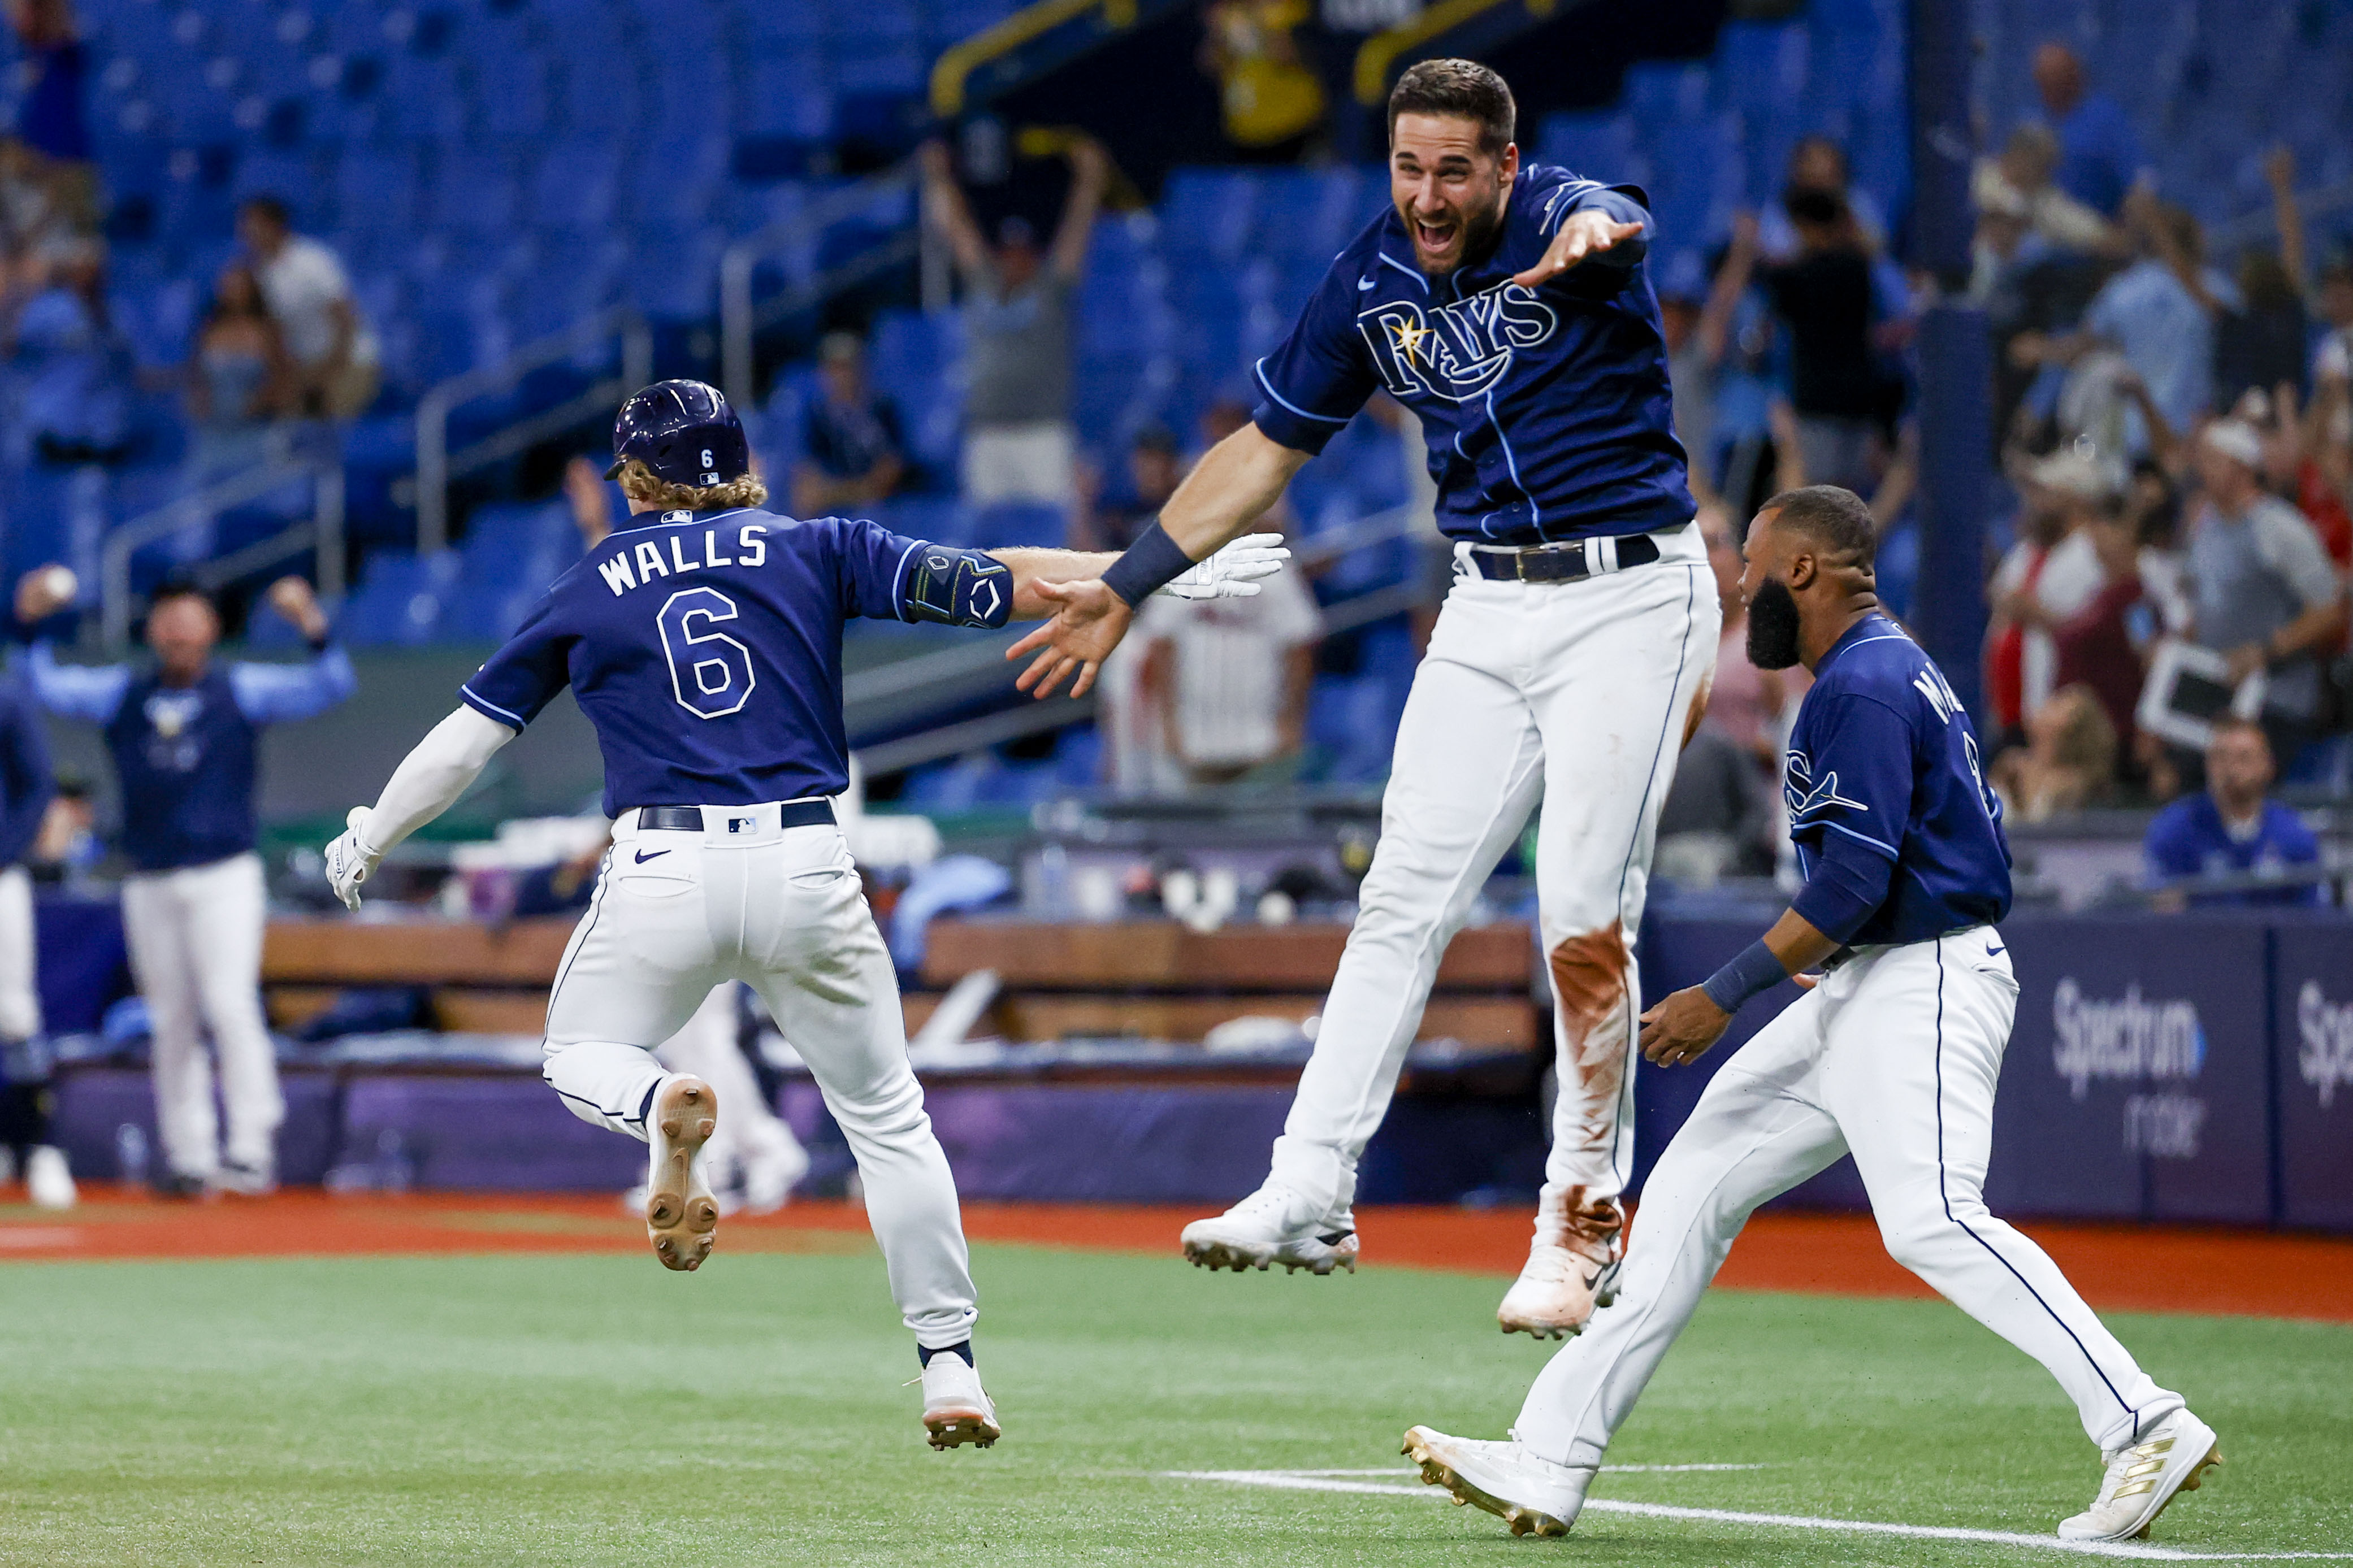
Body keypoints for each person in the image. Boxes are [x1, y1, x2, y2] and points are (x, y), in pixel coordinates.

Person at [319, 379, 1286, 1445]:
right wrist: (1145, 571)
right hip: (806, 862)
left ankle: (653, 1107)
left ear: (638, 478)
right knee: (886, 1121)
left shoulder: (591, 582)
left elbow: (467, 742)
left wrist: (370, 838)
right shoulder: (813, 544)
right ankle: (949, 1368)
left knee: (576, 1047)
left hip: (664, 866)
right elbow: (993, 579)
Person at [1011, 59, 1713, 1339]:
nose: (1427, 194)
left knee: (1576, 908)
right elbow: (1258, 456)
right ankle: (1310, 1185)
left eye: (1453, 168)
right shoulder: (1371, 280)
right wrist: (1126, 583)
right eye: (1407, 166)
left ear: (1502, 166)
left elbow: (1614, 219)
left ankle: (1581, 1214)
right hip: (1489, 599)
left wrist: (1598, 232)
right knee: (1398, 896)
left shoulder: (1561, 214)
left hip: (1629, 596)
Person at [1399, 485, 2220, 1548]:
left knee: (1929, 1218)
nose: (1741, 588)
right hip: (1867, 982)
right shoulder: (1880, 668)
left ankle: (2143, 1424)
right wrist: (1821, 963)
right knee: (1692, 1183)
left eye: (1750, 566)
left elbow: (1852, 885)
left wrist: (1720, 994)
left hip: (1919, 977)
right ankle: (1549, 1457)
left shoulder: (1864, 683)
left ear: (1802, 571)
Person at [14, 571, 354, 1196]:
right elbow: (44, 686)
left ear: (212, 628)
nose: (178, 631)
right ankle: (188, 1153)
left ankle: (251, 1147)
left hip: (224, 872)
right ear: (152, 630)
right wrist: (29, 623)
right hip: (151, 877)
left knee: (229, 1004)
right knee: (169, 1018)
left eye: (191, 618)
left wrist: (311, 621)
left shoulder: (240, 688)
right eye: (168, 619)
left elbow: (331, 683)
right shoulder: (124, 691)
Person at [919, 137, 1107, 508]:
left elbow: (1074, 235)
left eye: (1023, 251)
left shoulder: (1050, 288)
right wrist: (938, 179)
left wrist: (1090, 182)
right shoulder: (982, 283)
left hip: (1043, 431)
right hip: (986, 431)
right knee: (985, 546)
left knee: (1057, 532)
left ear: (1034, 254)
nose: (1014, 259)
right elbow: (956, 230)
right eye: (1008, 251)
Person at [2183, 419, 2347, 769]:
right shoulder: (2206, 524)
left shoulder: (2280, 529)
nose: (2202, 470)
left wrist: (2265, 652)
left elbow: (2331, 611)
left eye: (2213, 461)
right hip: (2218, 694)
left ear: (2242, 468)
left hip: (2276, 701)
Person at [1756, 188, 1881, 494]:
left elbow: (1769, 279)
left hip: (1817, 404)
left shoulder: (1798, 276)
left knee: (1815, 496)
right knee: (1848, 498)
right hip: (1859, 400)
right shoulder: (1858, 268)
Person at [0, 662, 64, 1207]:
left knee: (14, 1014)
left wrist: (7, 848)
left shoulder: (6, 696)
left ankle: (41, 1148)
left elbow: (37, 782)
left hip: (0, 878)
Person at [2143, 718, 2322, 910]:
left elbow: (2310, 919)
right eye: (2220, 757)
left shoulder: (2294, 834)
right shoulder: (2175, 829)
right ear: (2207, 764)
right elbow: (2162, 914)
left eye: (2244, 758)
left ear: (2268, 766)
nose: (2231, 768)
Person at [236, 197, 380, 419]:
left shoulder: (313, 261)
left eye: (253, 224)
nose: (246, 232)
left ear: (274, 225)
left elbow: (346, 320)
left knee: (323, 419)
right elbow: (273, 335)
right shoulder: (259, 274)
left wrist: (330, 370)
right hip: (307, 368)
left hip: (349, 363)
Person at [791, 332, 907, 520]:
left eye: (845, 367)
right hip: (842, 502)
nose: (839, 376)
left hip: (885, 509)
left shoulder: (883, 408)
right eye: (832, 368)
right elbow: (806, 488)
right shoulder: (819, 415)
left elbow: (889, 475)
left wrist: (833, 494)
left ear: (860, 369)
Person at [2029, 42, 2148, 218]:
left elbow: (2140, 182)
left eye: (2058, 78)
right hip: (2037, 223)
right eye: (2045, 80)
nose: (2051, 86)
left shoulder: (2105, 118)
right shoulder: (2031, 121)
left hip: (2092, 227)